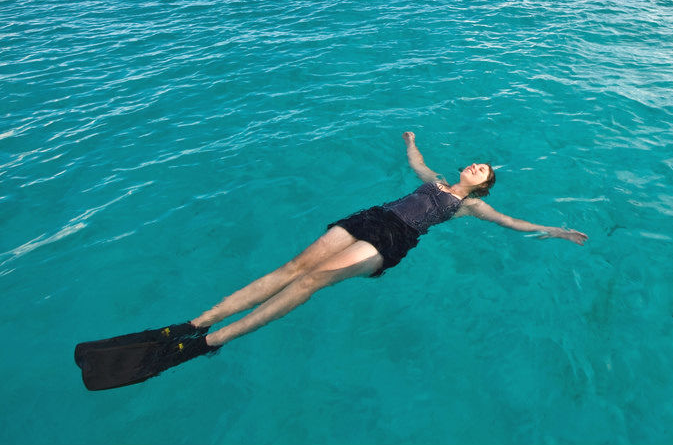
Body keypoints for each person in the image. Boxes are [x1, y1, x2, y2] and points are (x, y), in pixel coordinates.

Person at [74, 131, 588, 390]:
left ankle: (207, 343)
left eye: (485, 171)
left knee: (312, 282)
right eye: (476, 163)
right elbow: (416, 163)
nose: (479, 166)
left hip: (394, 237)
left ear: (484, 186)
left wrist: (556, 230)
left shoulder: (471, 206)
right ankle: (190, 323)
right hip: (370, 217)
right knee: (289, 270)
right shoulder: (434, 181)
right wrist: (410, 142)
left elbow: (513, 223)